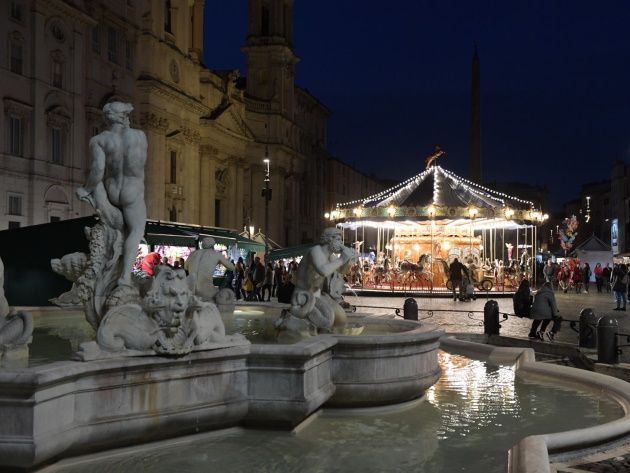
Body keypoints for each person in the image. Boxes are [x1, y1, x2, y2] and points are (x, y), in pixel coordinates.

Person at [76, 102, 147, 288]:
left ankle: (109, 268)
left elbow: (98, 169)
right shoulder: (139, 137)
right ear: (123, 117)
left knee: (116, 230)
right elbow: (139, 164)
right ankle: (124, 276)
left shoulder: (99, 140)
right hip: (132, 191)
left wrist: (86, 189)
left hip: (111, 191)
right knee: (136, 230)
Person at [184, 237, 235, 301]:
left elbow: (185, 267)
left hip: (190, 290)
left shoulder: (193, 253)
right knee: (223, 296)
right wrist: (222, 260)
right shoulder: (217, 254)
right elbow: (232, 267)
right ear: (213, 245)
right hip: (207, 291)